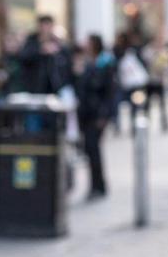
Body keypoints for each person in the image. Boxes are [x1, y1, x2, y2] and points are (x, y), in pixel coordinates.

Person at [74, 34, 116, 200]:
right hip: (86, 114)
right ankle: (97, 185)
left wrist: (104, 115)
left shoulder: (105, 64)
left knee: (93, 150)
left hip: (96, 114)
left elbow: (110, 93)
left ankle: (98, 186)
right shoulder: (86, 63)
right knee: (90, 151)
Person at [17, 15, 73, 95]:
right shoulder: (31, 41)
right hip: (34, 87)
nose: (46, 29)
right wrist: (41, 50)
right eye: (44, 25)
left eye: (48, 25)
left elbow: (66, 64)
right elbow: (23, 57)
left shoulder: (58, 43)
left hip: (54, 88)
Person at [142, 31, 168, 132]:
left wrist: (166, 75)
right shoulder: (147, 50)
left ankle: (164, 123)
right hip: (149, 80)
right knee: (147, 104)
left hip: (161, 81)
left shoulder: (166, 51)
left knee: (162, 104)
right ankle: (146, 123)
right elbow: (145, 61)